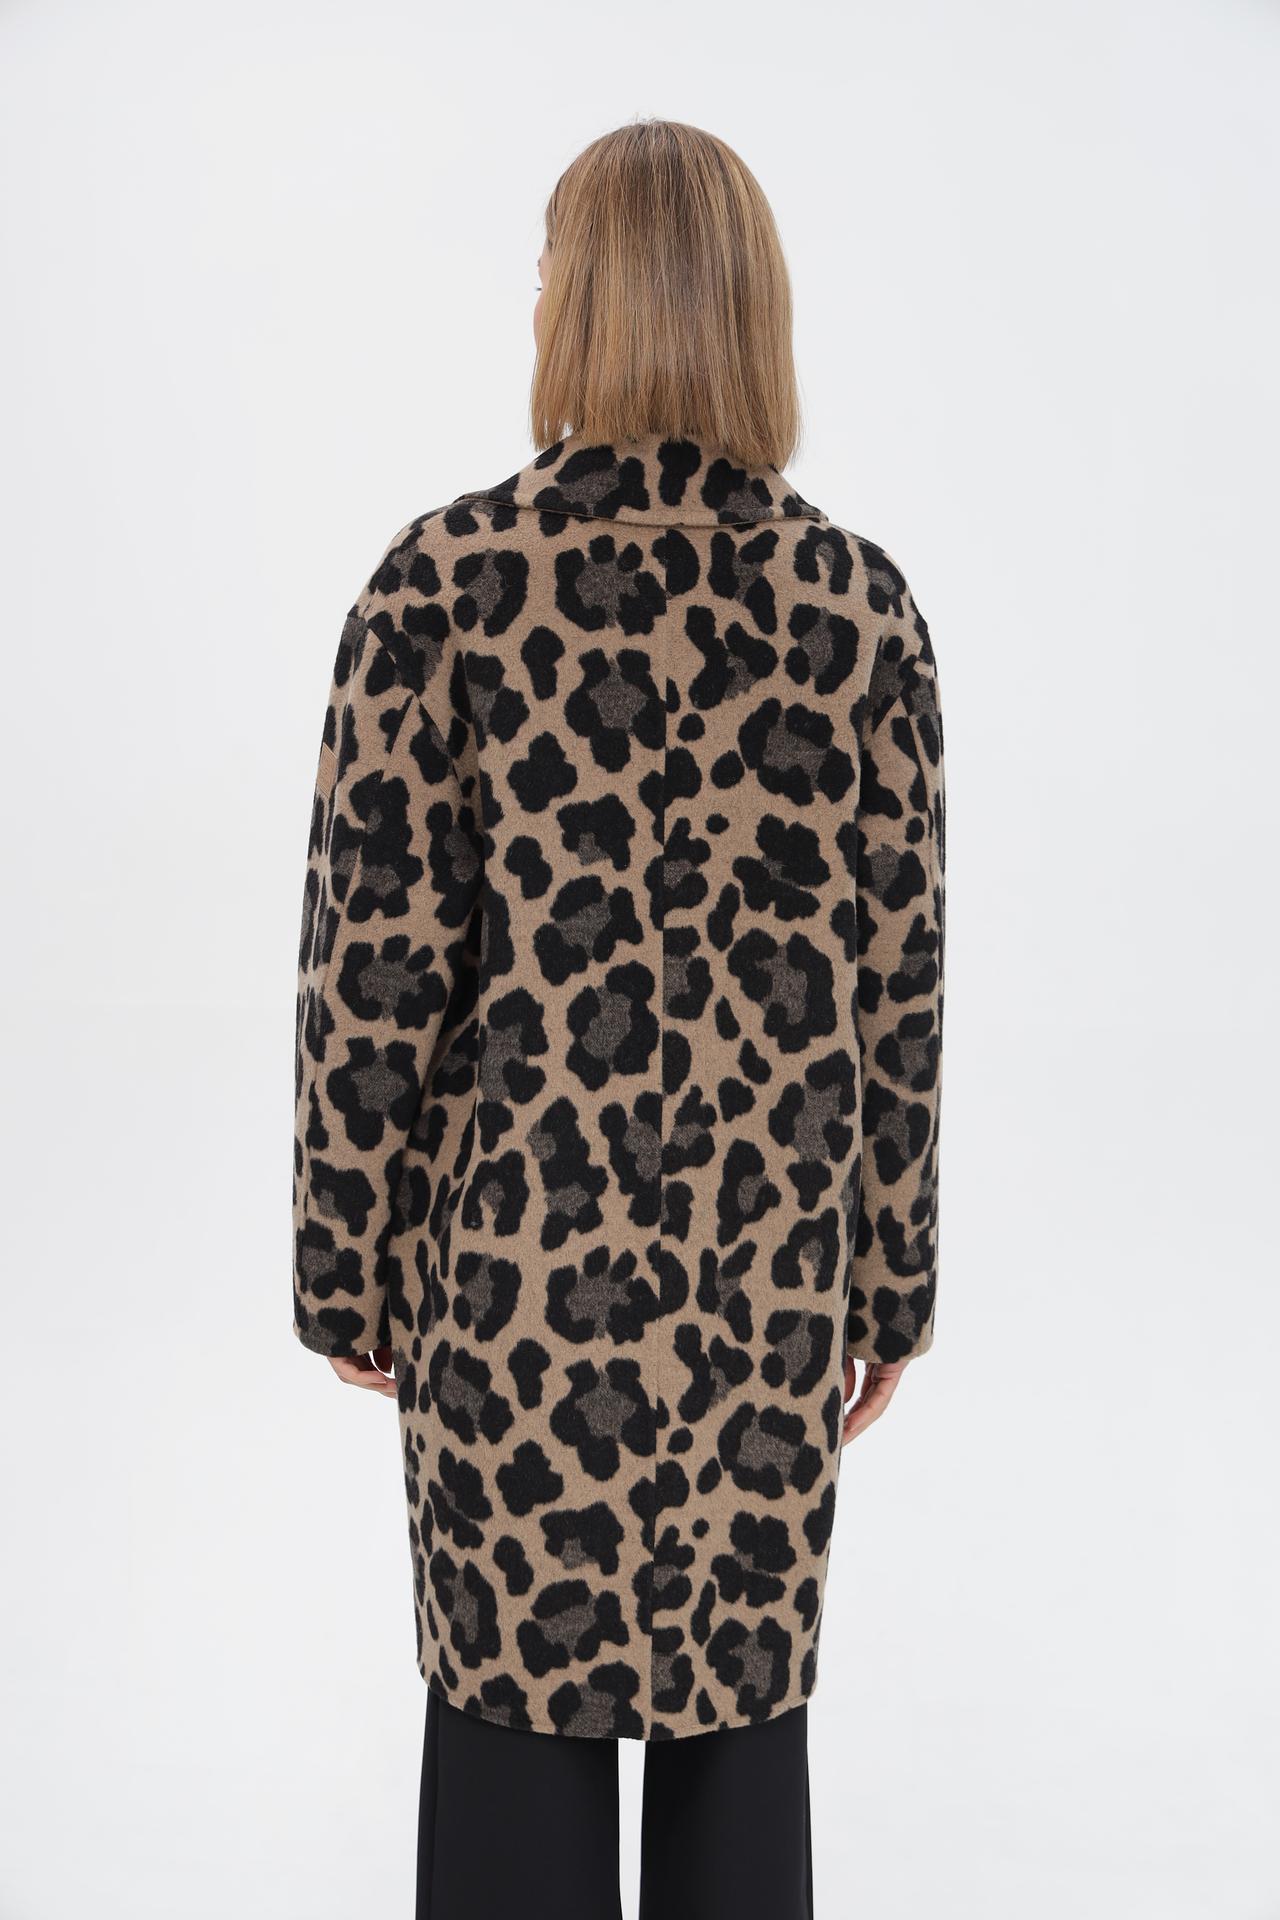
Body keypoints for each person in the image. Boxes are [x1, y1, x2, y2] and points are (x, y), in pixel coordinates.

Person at [291, 116, 945, 1920]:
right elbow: (899, 993)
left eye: (541, 273)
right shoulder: (858, 609)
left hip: (512, 1297)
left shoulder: (443, 588)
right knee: (742, 1757)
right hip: (764, 1299)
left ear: (579, 303)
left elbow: (373, 977)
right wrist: (888, 1286)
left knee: (510, 1749)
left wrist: (345, 1266)